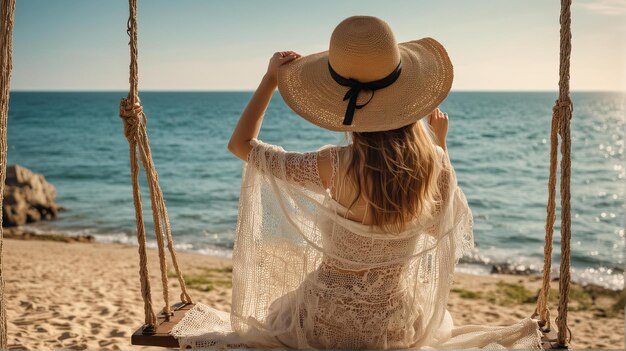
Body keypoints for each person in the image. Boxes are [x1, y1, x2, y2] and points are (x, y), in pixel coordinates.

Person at [171, 16, 544, 349]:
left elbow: (242, 146)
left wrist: (271, 80)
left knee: (278, 313)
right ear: (408, 100)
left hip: (323, 323)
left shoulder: (334, 165)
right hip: (392, 327)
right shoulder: (431, 166)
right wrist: (440, 147)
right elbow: (440, 227)